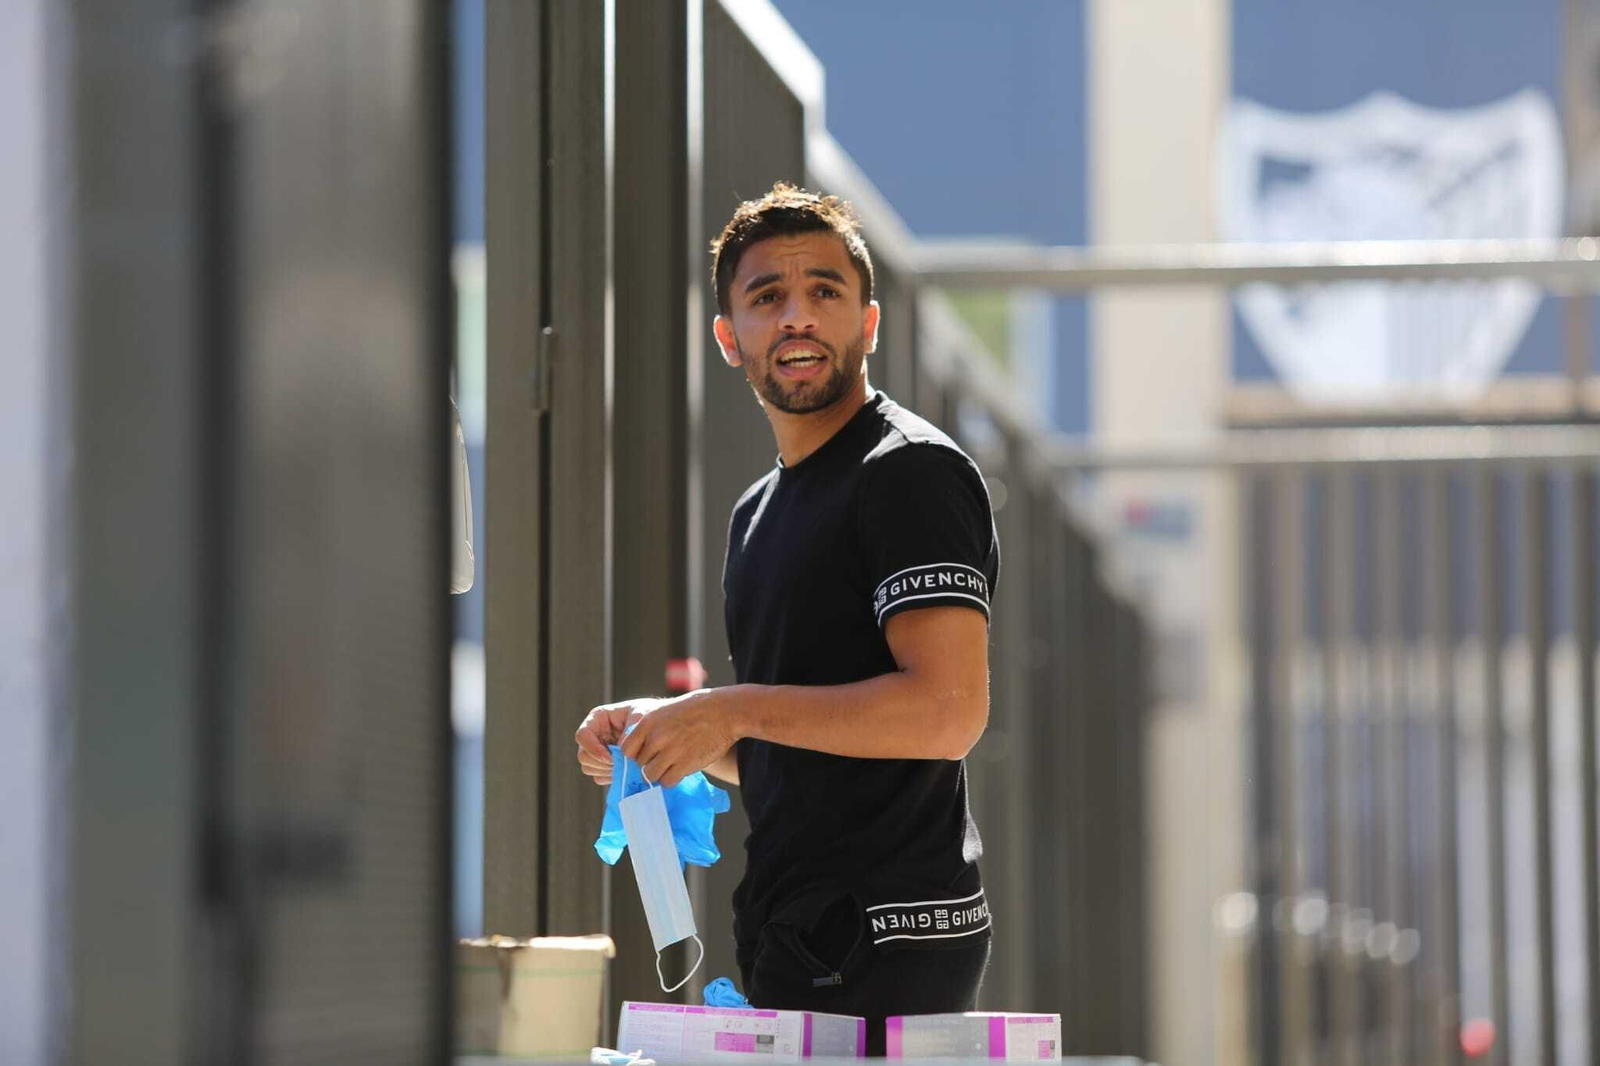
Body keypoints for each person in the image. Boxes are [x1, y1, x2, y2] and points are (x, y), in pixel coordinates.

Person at [574, 182, 999, 1053]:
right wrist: (674, 735)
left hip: (891, 937)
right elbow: (796, 750)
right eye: (768, 298)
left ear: (869, 325)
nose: (797, 318)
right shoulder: (758, 510)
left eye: (825, 293)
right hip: (793, 934)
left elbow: (949, 712)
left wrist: (734, 708)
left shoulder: (908, 472)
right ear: (730, 339)